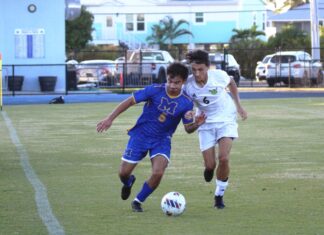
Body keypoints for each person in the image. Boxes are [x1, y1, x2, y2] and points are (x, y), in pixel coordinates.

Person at [96, 62, 206, 212]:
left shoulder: (187, 102)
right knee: (123, 173)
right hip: (140, 136)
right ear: (166, 79)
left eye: (177, 82)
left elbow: (188, 129)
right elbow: (129, 101)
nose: (173, 85)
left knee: (158, 172)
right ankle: (128, 183)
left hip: (162, 140)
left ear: (184, 82)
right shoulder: (154, 90)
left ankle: (137, 201)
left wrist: (197, 124)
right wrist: (110, 119)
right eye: (170, 81)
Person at [183, 49, 247, 209]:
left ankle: (219, 195)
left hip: (226, 119)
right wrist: (190, 112)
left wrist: (238, 105)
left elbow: (231, 82)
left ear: (208, 67)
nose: (197, 73)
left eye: (201, 69)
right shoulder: (188, 84)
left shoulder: (218, 75)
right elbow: (186, 103)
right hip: (205, 123)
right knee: (210, 165)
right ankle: (209, 169)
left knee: (224, 158)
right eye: (194, 70)